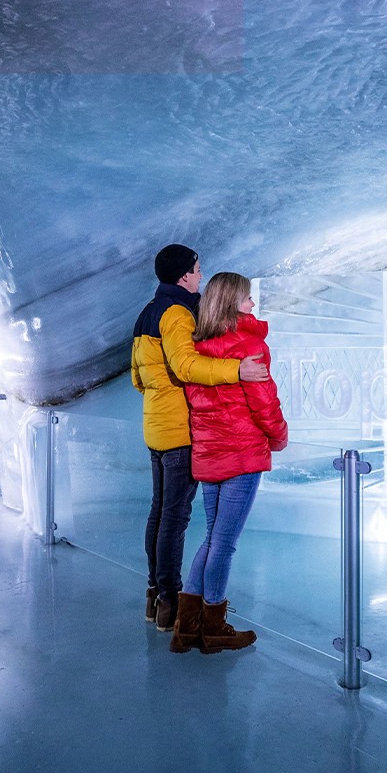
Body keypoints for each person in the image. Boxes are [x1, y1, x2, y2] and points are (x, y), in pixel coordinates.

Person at [131, 245, 267, 632]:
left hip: (155, 426)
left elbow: (137, 378)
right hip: (178, 430)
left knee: (160, 512)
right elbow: (187, 365)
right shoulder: (176, 314)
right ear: (185, 276)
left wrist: (159, 396)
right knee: (175, 518)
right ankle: (169, 603)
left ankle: (154, 594)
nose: (200, 276)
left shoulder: (147, 313)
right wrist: (237, 370)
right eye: (197, 270)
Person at [170, 272, 288, 654]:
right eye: (247, 299)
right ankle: (214, 628)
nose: (253, 305)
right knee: (225, 544)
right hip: (242, 454)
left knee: (212, 539)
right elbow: (264, 401)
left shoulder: (197, 347)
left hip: (210, 457)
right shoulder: (249, 343)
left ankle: (186, 628)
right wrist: (280, 437)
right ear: (233, 302)